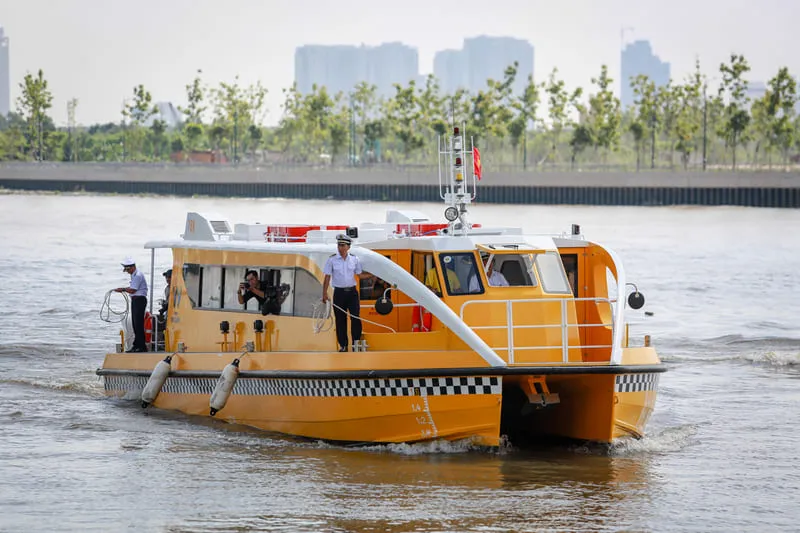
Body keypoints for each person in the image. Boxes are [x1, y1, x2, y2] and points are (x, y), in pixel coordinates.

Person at [322, 234, 363, 352]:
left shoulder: (355, 259)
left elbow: (360, 275)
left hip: (352, 293)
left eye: (342, 245)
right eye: (339, 245)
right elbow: (327, 277)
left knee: (355, 317)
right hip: (339, 293)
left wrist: (374, 276)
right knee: (340, 319)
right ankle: (343, 345)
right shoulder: (332, 260)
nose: (340, 248)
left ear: (348, 247)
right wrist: (324, 294)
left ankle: (356, 343)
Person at [114, 257, 148, 352]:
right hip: (136, 300)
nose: (127, 272)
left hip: (139, 300)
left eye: (128, 269)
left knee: (138, 324)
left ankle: (141, 346)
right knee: (134, 324)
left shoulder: (137, 275)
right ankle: (136, 345)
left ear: (132, 267)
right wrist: (124, 289)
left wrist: (123, 289)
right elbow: (132, 287)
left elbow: (133, 290)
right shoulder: (134, 275)